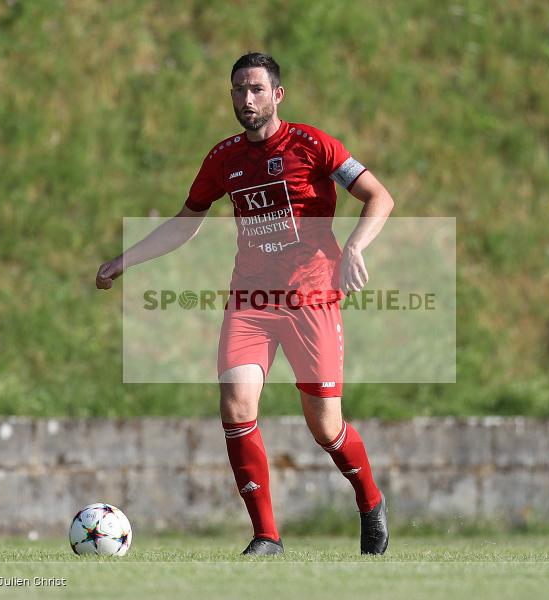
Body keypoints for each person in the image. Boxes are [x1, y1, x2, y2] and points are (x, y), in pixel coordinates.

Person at [96, 52, 395, 556]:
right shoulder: (223, 158)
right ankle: (266, 536)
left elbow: (378, 196)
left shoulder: (313, 145)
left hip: (311, 298)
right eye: (238, 89)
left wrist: (357, 247)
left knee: (325, 425)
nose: (247, 98)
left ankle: (370, 502)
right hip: (251, 300)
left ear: (277, 94)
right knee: (236, 404)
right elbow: (186, 220)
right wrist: (125, 260)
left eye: (256, 89)